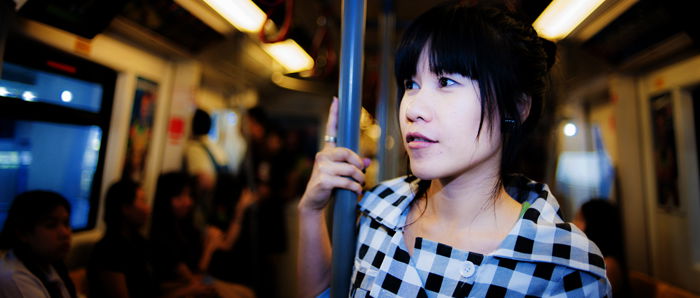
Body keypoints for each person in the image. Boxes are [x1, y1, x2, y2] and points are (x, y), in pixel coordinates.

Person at [298, 1, 611, 297]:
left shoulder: (565, 267)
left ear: (515, 106)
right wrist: (311, 213)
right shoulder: (377, 207)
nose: (413, 109)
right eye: (411, 83)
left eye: (446, 82)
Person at [87, 179, 159, 298]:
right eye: (143, 201)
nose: (148, 208)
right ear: (125, 208)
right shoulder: (109, 250)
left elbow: (154, 289)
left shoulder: (139, 242)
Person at [0, 191, 76, 298]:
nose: (65, 233)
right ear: (23, 233)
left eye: (66, 223)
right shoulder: (15, 279)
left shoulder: (50, 263)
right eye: (51, 225)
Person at [574, 199, 629, 297]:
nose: (573, 223)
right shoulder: (591, 257)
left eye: (579, 219)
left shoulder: (608, 265)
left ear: (596, 224)